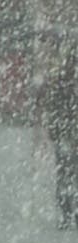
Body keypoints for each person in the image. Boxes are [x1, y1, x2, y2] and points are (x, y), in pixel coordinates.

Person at [40, 46, 78, 229]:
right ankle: (68, 213)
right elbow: (54, 109)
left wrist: (55, 131)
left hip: (66, 136)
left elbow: (53, 109)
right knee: (67, 175)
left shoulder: (61, 83)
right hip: (67, 136)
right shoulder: (62, 85)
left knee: (66, 175)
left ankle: (67, 213)